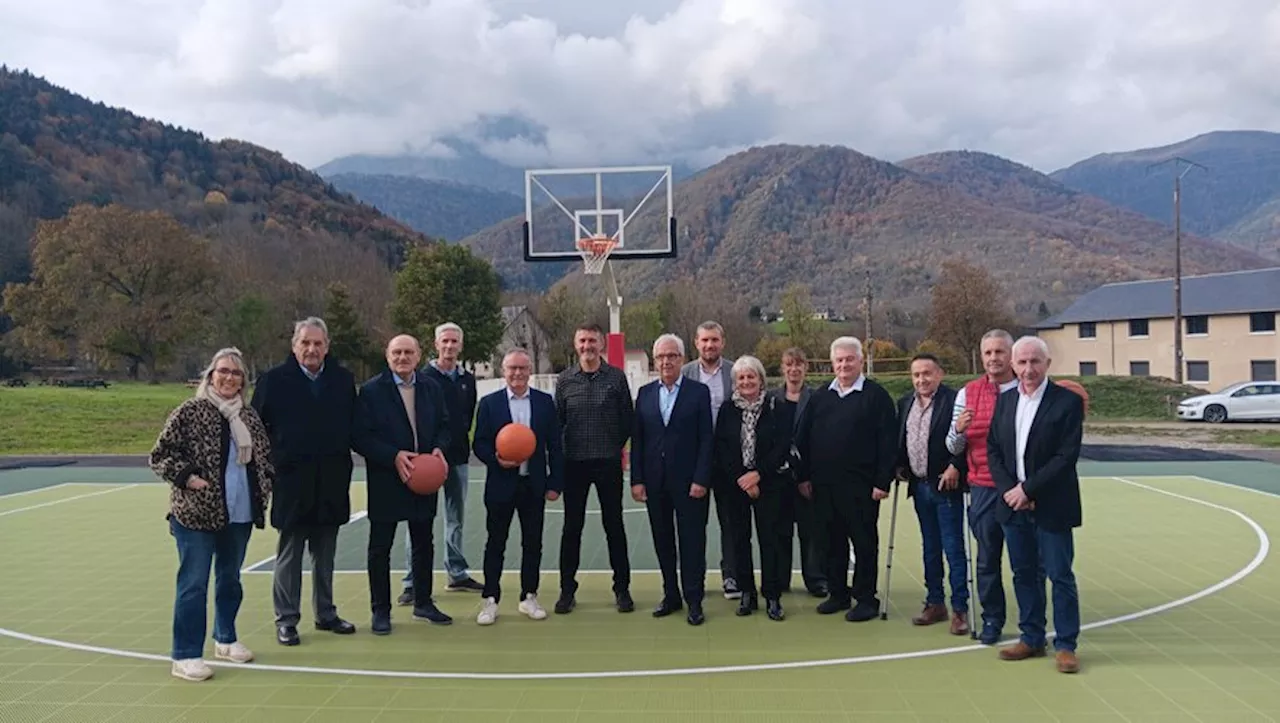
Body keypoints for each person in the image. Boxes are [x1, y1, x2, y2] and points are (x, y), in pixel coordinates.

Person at [150, 347, 274, 681]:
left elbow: (264, 457)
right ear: (210, 375)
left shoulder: (248, 417)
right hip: (196, 514)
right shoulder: (191, 411)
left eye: (236, 373)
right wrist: (189, 477)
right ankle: (186, 654)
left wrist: (265, 483)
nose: (229, 377)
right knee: (193, 584)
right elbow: (160, 455)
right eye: (223, 371)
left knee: (230, 579)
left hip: (240, 512)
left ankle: (226, 638)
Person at [251, 317, 357, 646]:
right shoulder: (273, 380)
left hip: (332, 481)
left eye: (318, 343)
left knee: (325, 555)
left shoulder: (342, 380)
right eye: (305, 343)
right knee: (290, 554)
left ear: (327, 347)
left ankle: (325, 613)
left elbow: (354, 425)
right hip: (291, 482)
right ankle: (287, 619)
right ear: (294, 345)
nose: (311, 349)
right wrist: (272, 465)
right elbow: (256, 428)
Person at [987, 336, 1084, 674]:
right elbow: (994, 451)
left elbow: (1065, 457)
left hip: (1052, 505)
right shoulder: (1005, 400)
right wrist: (1010, 491)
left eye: (1035, 362)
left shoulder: (1067, 403)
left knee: (1059, 575)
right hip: (1013, 507)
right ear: (1013, 365)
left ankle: (1067, 645)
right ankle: (1031, 637)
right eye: (1023, 362)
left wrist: (1028, 490)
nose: (1028, 369)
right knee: (1024, 574)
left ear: (1047, 364)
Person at [353, 334, 453, 634]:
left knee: (424, 542)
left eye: (408, 352)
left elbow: (446, 425)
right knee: (380, 547)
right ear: (387, 356)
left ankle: (423, 602)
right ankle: (380, 611)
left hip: (423, 477)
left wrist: (438, 449)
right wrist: (393, 456)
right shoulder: (371, 391)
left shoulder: (431, 388)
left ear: (419, 355)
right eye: (397, 352)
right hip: (388, 478)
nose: (402, 357)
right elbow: (360, 436)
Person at [795, 336, 897, 622]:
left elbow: (888, 443)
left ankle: (866, 598)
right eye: (839, 360)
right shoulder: (820, 398)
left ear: (860, 361)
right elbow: (801, 441)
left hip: (862, 488)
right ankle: (838, 593)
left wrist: (882, 481)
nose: (844, 365)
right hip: (824, 487)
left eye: (849, 359)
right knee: (831, 542)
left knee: (863, 544)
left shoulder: (876, 397)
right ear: (832, 364)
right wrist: (803, 477)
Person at [472, 348, 564, 625]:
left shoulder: (545, 403)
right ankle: (490, 599)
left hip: (533, 485)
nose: (517, 373)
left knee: (532, 543)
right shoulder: (489, 404)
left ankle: (529, 596)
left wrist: (554, 483)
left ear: (530, 371)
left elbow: (555, 446)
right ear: (503, 371)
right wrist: (496, 459)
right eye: (512, 368)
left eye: (523, 368)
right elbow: (479, 443)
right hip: (501, 485)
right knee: (495, 543)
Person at [632, 333, 714, 625]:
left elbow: (707, 440)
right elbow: (638, 442)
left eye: (672, 356)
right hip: (655, 483)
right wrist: (637, 480)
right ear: (655, 361)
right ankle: (671, 595)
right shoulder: (644, 394)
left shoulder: (698, 393)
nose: (666, 361)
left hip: (690, 482)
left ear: (682, 359)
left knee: (692, 542)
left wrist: (701, 478)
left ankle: (694, 599)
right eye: (661, 357)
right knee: (663, 541)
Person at [553, 323, 634, 614]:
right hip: (574, 464)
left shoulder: (616, 378)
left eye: (593, 341)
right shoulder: (564, 380)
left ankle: (622, 590)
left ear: (602, 345)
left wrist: (615, 446)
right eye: (583, 341)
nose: (588, 346)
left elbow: (628, 419)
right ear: (576, 345)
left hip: (607, 463)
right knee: (572, 528)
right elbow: (557, 423)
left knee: (614, 526)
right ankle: (566, 591)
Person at [945, 329, 1019, 644]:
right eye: (988, 353)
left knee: (1026, 563)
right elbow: (953, 446)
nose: (993, 358)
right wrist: (959, 432)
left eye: (999, 352)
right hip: (983, 488)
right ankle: (992, 620)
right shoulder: (967, 394)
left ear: (1011, 355)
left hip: (1021, 490)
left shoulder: (1028, 390)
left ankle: (1033, 624)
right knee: (987, 560)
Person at [401, 322, 482, 606]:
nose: (449, 346)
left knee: (455, 519)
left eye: (454, 342)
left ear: (460, 345)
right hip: (427, 461)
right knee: (419, 521)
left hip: (458, 459)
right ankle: (412, 581)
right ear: (436, 344)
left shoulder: (468, 380)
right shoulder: (422, 377)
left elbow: (464, 419)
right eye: (444, 341)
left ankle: (456, 573)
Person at [712, 355, 792, 620]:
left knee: (769, 540)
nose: (746, 381)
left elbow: (781, 448)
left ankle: (772, 596)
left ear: (761, 379)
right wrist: (743, 479)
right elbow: (723, 449)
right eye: (741, 377)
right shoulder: (726, 410)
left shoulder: (777, 407)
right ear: (735, 382)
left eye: (751, 376)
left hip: (769, 484)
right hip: (735, 487)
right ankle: (747, 594)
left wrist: (758, 475)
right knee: (739, 541)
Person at [896, 353, 969, 635]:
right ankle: (935, 603)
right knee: (930, 548)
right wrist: (899, 466)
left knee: (953, 548)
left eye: (927, 373)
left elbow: (967, 441)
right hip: (919, 486)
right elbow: (900, 441)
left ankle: (960, 608)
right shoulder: (905, 404)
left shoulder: (953, 401)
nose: (921, 379)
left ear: (939, 374)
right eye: (916, 375)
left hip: (945, 486)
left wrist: (955, 466)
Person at [681, 321, 739, 599]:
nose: (709, 345)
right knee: (695, 524)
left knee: (730, 522)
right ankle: (696, 579)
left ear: (722, 342)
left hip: (728, 460)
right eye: (704, 340)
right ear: (696, 342)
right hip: (694, 462)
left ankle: (731, 576)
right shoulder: (685, 374)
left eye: (714, 340)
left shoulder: (736, 372)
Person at [767, 347, 827, 597]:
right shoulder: (770, 399)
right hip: (778, 478)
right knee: (780, 531)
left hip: (806, 478)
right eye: (789, 364)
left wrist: (807, 477)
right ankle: (780, 580)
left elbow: (820, 441)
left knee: (810, 532)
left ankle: (815, 579)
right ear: (782, 368)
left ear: (806, 367)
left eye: (799, 364)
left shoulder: (816, 399)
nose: (794, 369)